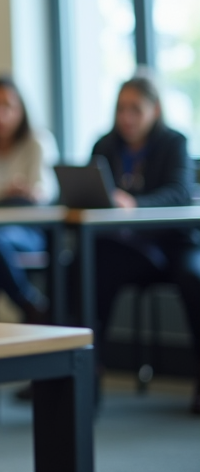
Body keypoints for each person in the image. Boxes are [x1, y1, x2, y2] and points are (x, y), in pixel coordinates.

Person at [89, 75, 200, 414]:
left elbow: (179, 193)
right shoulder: (105, 146)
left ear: (156, 110)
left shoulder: (174, 142)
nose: (127, 118)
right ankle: (85, 370)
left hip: (174, 244)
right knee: (87, 267)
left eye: (135, 109)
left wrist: (135, 204)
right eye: (121, 109)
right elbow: (89, 191)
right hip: (130, 248)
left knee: (194, 277)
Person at [0, 75, 58, 324]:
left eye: (7, 106)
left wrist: (23, 193)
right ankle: (27, 301)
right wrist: (3, 193)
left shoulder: (37, 143)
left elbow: (45, 192)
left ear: (21, 110)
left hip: (27, 231)